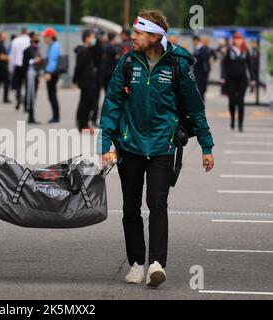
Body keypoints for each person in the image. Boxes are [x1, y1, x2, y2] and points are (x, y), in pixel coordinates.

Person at [99, 10, 215, 288]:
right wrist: (104, 145)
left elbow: (195, 108)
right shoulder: (127, 63)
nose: (132, 37)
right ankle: (136, 264)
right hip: (129, 145)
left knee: (157, 203)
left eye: (138, 33)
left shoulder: (177, 64)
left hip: (163, 146)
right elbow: (111, 103)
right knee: (130, 207)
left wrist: (206, 145)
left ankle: (156, 264)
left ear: (154, 36)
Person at [221, 32, 255, 132]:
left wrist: (252, 79)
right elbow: (224, 64)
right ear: (234, 40)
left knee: (240, 101)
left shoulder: (245, 50)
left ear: (242, 40)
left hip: (243, 80)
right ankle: (232, 120)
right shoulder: (229, 50)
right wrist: (223, 77)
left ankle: (240, 124)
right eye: (236, 39)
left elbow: (250, 66)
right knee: (232, 101)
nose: (238, 41)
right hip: (230, 79)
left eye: (240, 39)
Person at [73, 29, 99, 133]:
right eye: (92, 37)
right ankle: (83, 125)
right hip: (86, 82)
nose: (94, 39)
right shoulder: (83, 51)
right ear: (87, 38)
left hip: (88, 81)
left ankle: (84, 124)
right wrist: (75, 79)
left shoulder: (87, 50)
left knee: (87, 102)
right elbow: (78, 67)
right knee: (85, 103)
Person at [22, 32, 43, 124]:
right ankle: (30, 115)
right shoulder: (28, 50)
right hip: (30, 75)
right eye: (35, 37)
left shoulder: (37, 49)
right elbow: (25, 63)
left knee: (33, 95)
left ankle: (31, 115)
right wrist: (34, 60)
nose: (37, 38)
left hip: (35, 74)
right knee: (30, 94)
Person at [42, 27, 62, 123]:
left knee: (52, 95)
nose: (44, 38)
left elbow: (53, 61)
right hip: (51, 73)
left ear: (50, 37)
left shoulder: (54, 46)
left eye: (45, 36)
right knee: (51, 95)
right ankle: (55, 116)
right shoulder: (52, 45)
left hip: (52, 73)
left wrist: (49, 72)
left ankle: (56, 117)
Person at [9, 28, 31, 110]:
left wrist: (11, 68)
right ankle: (26, 104)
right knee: (27, 86)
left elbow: (12, 55)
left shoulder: (15, 41)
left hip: (18, 65)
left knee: (18, 86)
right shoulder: (29, 40)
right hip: (26, 65)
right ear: (27, 32)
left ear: (21, 32)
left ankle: (18, 101)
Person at [192, 36, 216, 101]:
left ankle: (202, 95)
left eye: (206, 42)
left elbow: (214, 56)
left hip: (206, 69)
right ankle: (201, 98)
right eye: (203, 42)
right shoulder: (198, 49)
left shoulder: (209, 49)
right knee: (199, 84)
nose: (204, 43)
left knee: (204, 84)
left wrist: (213, 59)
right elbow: (195, 58)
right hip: (198, 69)